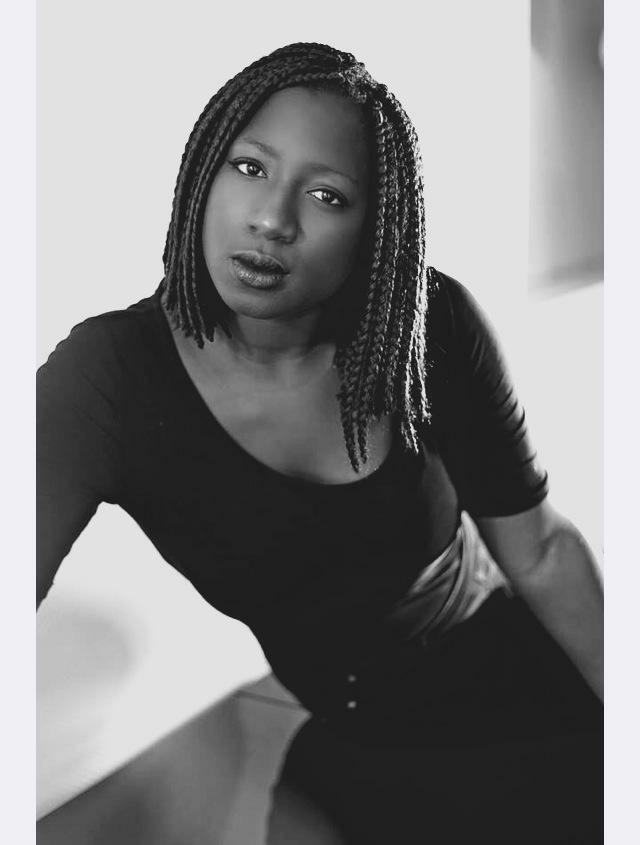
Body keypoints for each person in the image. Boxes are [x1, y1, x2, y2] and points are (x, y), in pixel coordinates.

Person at [37, 42, 603, 843]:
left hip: (524, 706)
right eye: (249, 167)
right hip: (359, 743)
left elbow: (540, 552)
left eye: (327, 195)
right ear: (201, 172)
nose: (272, 219)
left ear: (375, 226)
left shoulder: (429, 326)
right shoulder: (107, 378)